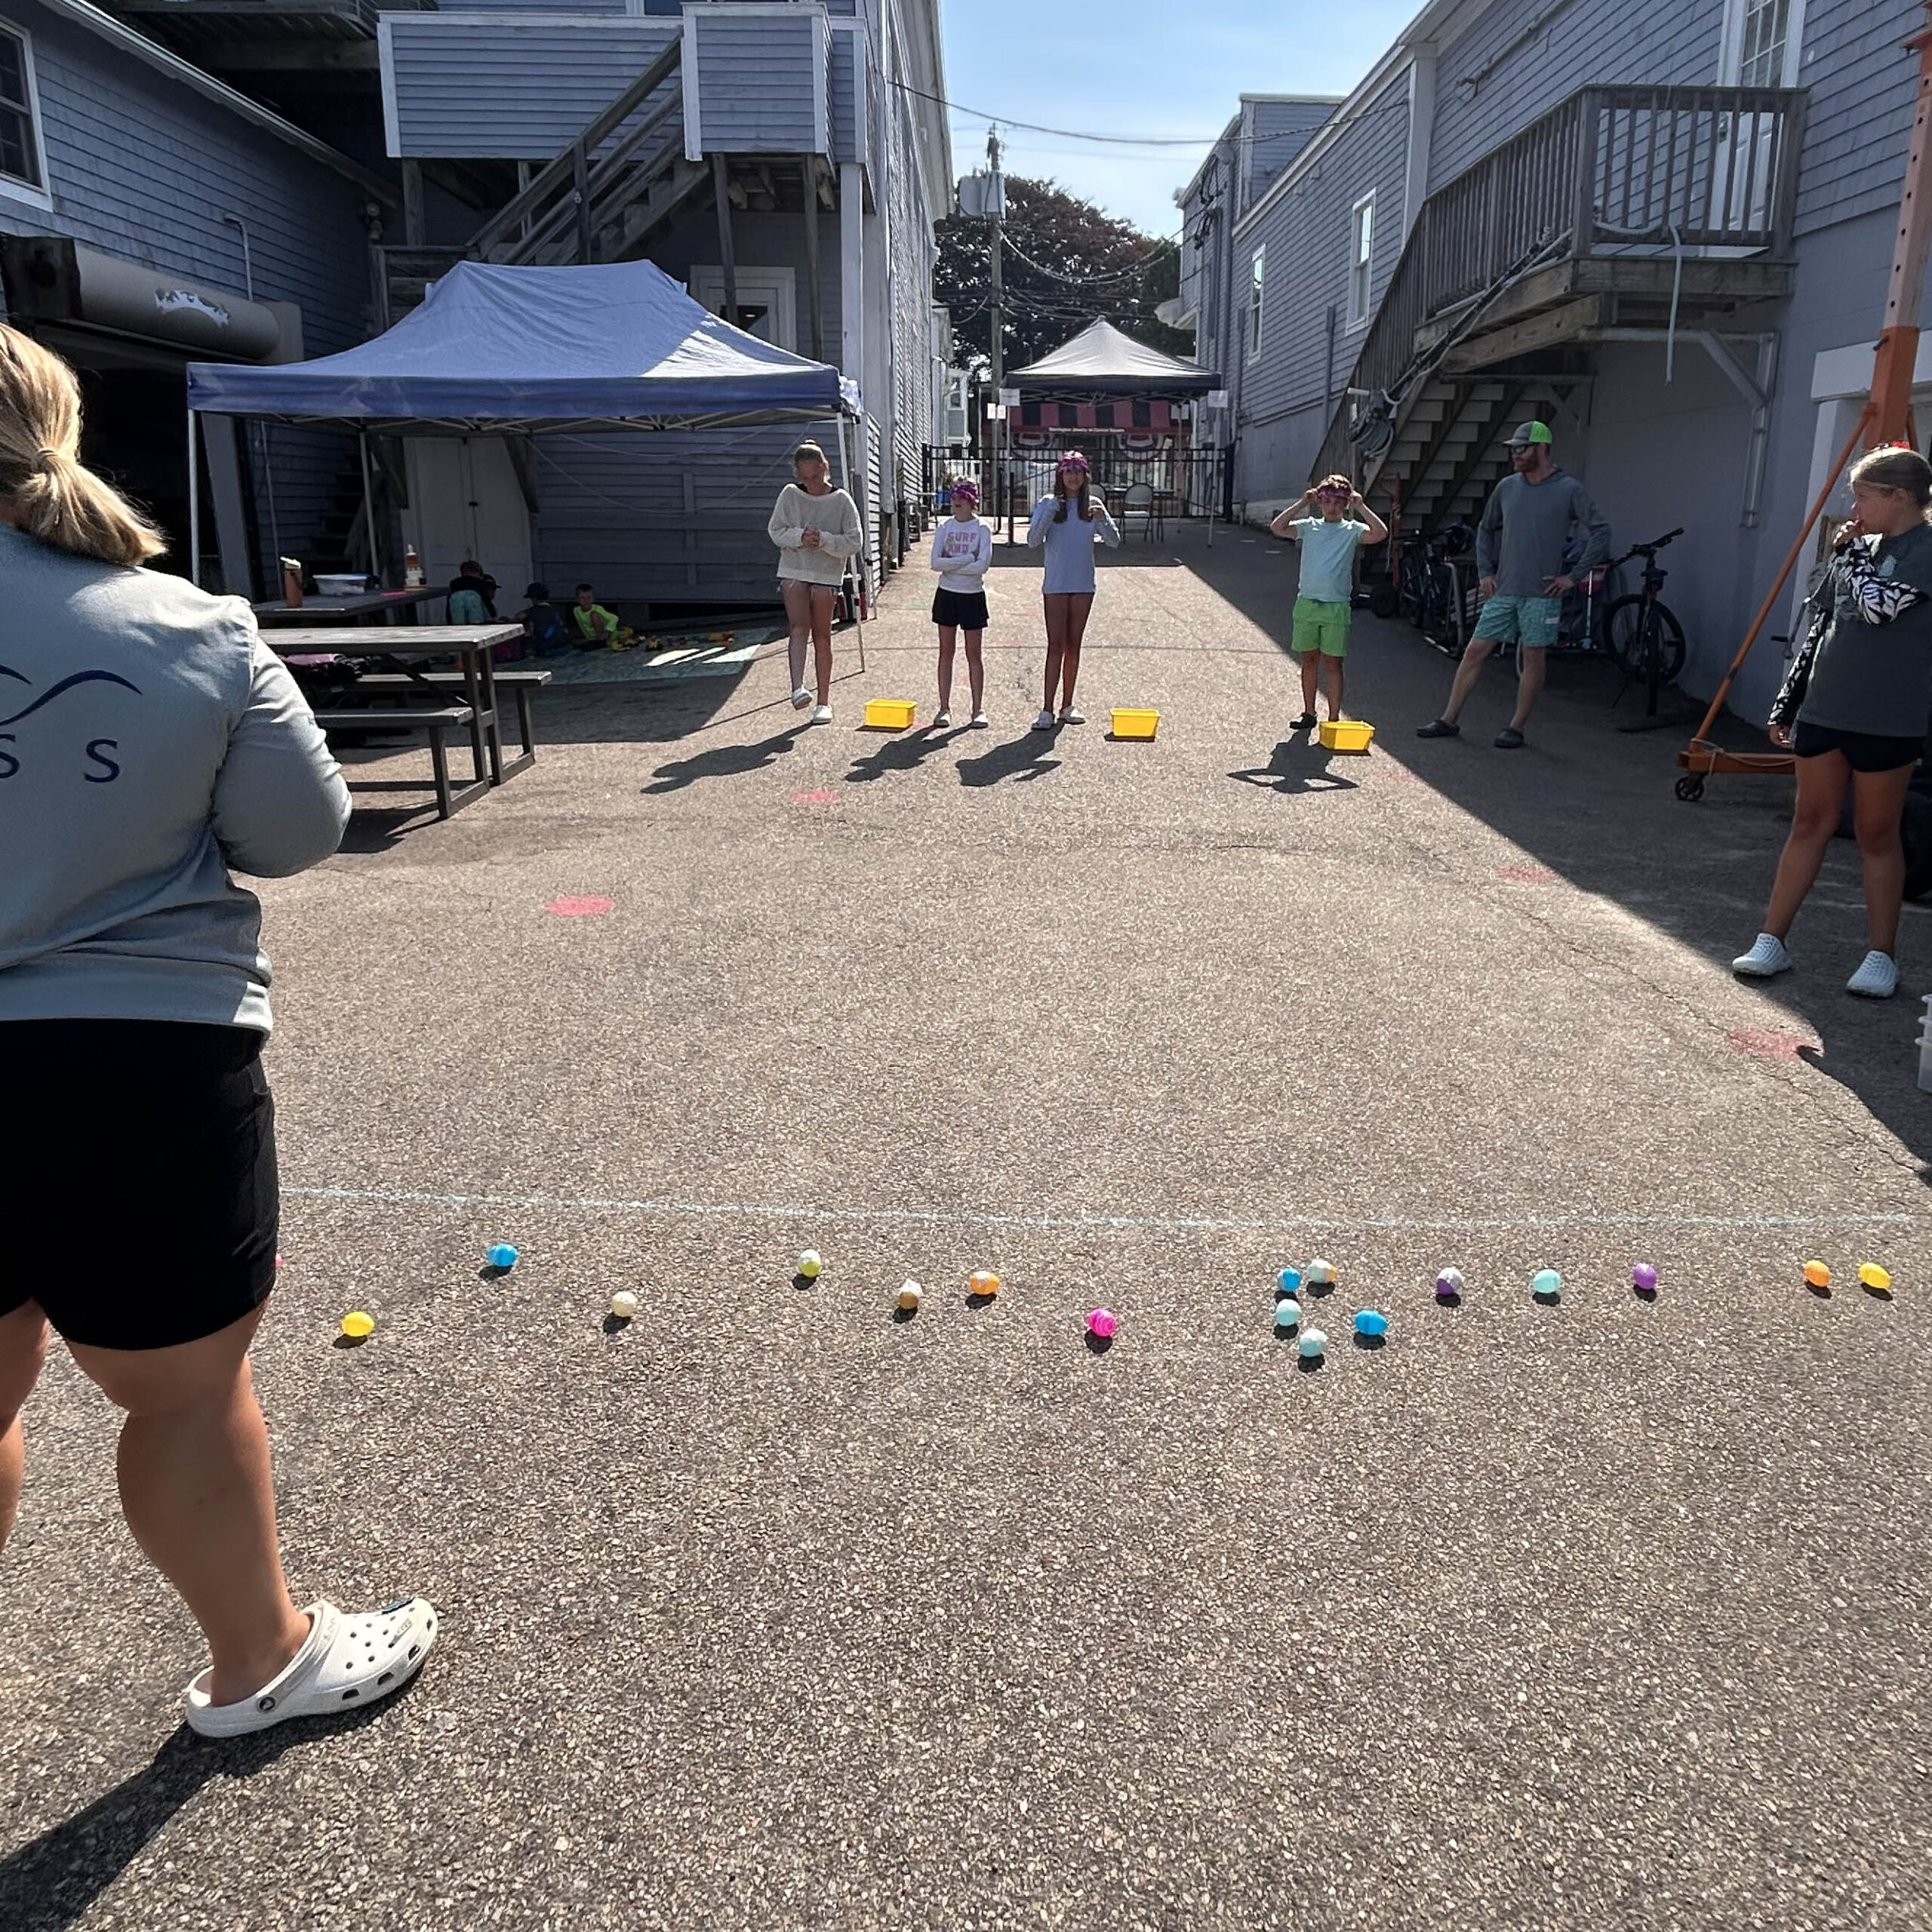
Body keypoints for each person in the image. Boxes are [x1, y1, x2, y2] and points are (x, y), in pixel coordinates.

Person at [0, 324, 438, 1737]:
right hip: (135, 1054)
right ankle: (261, 1660)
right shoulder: (188, 625)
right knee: (180, 1394)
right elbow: (297, 830)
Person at [1733, 445, 1932, 1000]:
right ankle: (1771, 940)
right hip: (1826, 709)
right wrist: (1789, 700)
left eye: (1864, 496)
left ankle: (1881, 955)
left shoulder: (1924, 549)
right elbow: (1821, 621)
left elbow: (1879, 608)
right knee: (1809, 822)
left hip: (1887, 718)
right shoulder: (1858, 548)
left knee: (1876, 833)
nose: (1855, 508)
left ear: (1899, 496)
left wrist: (1851, 556)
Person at [1416, 420, 1610, 749]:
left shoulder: (1569, 489)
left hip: (1542, 594)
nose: (1515, 455)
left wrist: (1573, 576)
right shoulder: (1507, 487)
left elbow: (1601, 532)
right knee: (1475, 651)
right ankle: (1448, 719)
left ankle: (1516, 727)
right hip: (1504, 589)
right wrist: (1485, 571)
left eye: (1521, 449)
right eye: (1513, 449)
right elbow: (1485, 528)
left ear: (1541, 449)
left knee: (1533, 656)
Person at [1271, 475, 1388, 728]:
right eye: (1327, 502)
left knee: (1333, 663)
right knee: (1309, 660)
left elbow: (1380, 533)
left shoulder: (1352, 530)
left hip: (1336, 606)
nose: (1332, 507)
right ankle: (1309, 712)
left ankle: (1333, 718)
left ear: (1345, 504)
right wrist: (1303, 502)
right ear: (1320, 502)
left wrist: (1361, 506)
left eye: (1338, 502)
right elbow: (1278, 527)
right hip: (1307, 603)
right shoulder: (1309, 526)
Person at [768, 440, 862, 724]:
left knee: (822, 635)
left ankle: (824, 702)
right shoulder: (790, 494)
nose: (811, 482)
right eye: (805, 477)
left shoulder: (842, 499)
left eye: (816, 476)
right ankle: (797, 688)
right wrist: (800, 537)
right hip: (795, 569)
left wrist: (824, 540)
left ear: (825, 468)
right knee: (798, 628)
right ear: (798, 473)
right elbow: (776, 531)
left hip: (826, 574)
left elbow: (855, 541)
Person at [1026, 451, 1120, 731]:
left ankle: (1067, 705)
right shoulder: (1048, 502)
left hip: (1083, 584)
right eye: (1068, 472)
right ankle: (1047, 709)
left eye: (1078, 472)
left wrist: (1103, 521)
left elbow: (1114, 542)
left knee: (1073, 645)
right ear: (1060, 475)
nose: (1073, 477)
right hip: (1056, 584)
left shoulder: (1093, 504)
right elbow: (1033, 540)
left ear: (1085, 476)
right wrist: (1051, 511)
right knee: (1055, 645)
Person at [928, 477, 993, 728]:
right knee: (946, 652)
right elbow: (936, 563)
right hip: (947, 593)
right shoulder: (944, 527)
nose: (957, 501)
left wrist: (953, 565)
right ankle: (944, 707)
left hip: (972, 595)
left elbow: (982, 566)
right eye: (954, 496)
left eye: (963, 497)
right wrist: (966, 559)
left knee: (973, 653)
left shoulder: (982, 529)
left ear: (972, 501)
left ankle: (978, 708)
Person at [569, 582, 635, 651]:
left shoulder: (598, 609)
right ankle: (596, 641)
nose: (586, 600)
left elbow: (614, 618)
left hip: (607, 635)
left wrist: (607, 632)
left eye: (589, 597)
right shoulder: (576, 610)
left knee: (594, 615)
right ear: (577, 599)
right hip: (591, 638)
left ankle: (604, 640)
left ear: (593, 598)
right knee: (575, 643)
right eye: (582, 598)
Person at [521, 580, 571, 657]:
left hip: (546, 648)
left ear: (534, 599)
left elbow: (520, 616)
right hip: (563, 646)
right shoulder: (555, 610)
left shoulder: (533, 611)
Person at [446, 558, 498, 622]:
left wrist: (449, 620)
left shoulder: (455, 583)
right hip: (474, 604)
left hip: (456, 605)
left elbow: (449, 599)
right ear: (479, 573)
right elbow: (486, 599)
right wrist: (493, 614)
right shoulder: (479, 583)